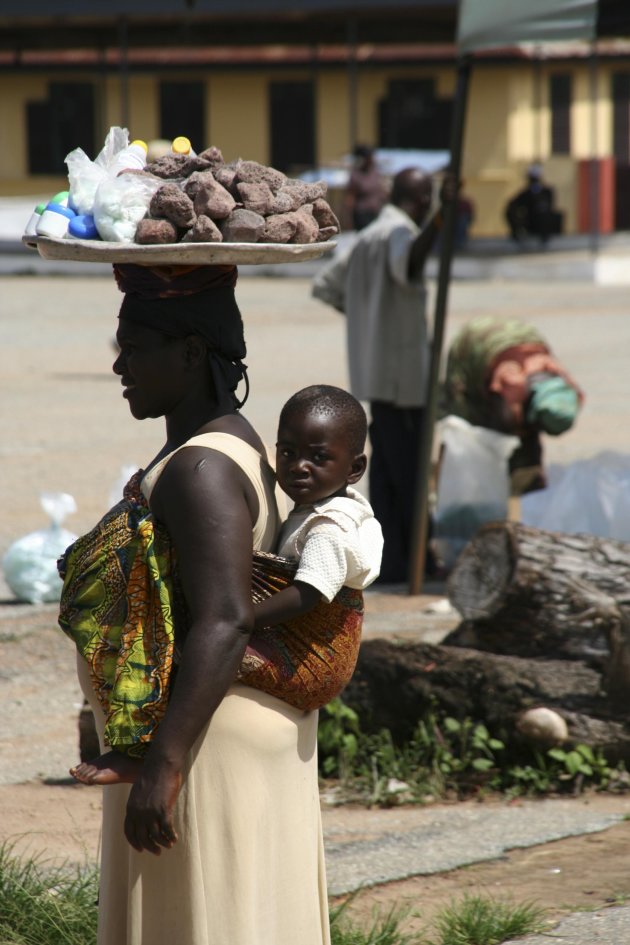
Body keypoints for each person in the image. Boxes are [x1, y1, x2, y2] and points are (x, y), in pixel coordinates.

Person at [58, 263, 331, 945]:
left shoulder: (201, 468)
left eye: (135, 345)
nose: (120, 364)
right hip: (210, 732)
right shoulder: (227, 442)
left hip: (205, 744)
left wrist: (165, 764)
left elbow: (225, 615)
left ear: (188, 353)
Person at [67, 383, 383, 788]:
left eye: (319, 458)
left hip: (317, 654)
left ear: (354, 469)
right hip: (310, 649)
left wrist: (235, 619)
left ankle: (142, 754)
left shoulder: (329, 528)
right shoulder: (320, 507)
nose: (299, 466)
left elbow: (309, 593)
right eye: (288, 453)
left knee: (188, 654)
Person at [312, 166, 457, 583]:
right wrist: (441, 220)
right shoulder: (398, 235)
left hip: (376, 377)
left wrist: (367, 320)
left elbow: (326, 286)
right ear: (423, 200)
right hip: (403, 380)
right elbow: (408, 263)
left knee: (392, 476)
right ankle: (417, 563)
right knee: (409, 476)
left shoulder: (366, 237)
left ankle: (396, 564)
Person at [442, 314, 584, 494]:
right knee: (474, 433)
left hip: (521, 338)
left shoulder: (560, 379)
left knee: (520, 442)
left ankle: (520, 491)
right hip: (475, 343)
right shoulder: (511, 382)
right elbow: (496, 388)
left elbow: (578, 396)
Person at [505, 164, 562, 246]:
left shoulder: (546, 192)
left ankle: (545, 236)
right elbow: (512, 205)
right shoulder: (526, 193)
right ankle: (518, 234)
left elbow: (549, 207)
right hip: (530, 223)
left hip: (544, 226)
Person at [342, 144, 388, 231]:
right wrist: (347, 219)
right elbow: (350, 198)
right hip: (362, 216)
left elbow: (382, 192)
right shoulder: (356, 175)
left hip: (376, 213)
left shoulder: (375, 173)